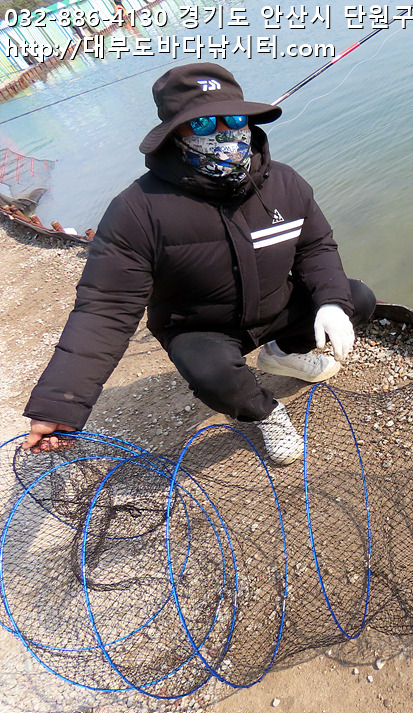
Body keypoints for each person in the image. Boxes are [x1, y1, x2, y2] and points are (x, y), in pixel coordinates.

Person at [22, 62, 375, 465]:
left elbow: (316, 247)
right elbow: (105, 308)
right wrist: (60, 404)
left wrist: (331, 302)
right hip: (201, 327)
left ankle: (284, 353)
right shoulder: (136, 211)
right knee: (213, 376)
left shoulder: (285, 182)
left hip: (276, 305)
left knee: (357, 298)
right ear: (175, 134)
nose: (225, 133)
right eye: (203, 124)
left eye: (234, 119)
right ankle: (264, 413)